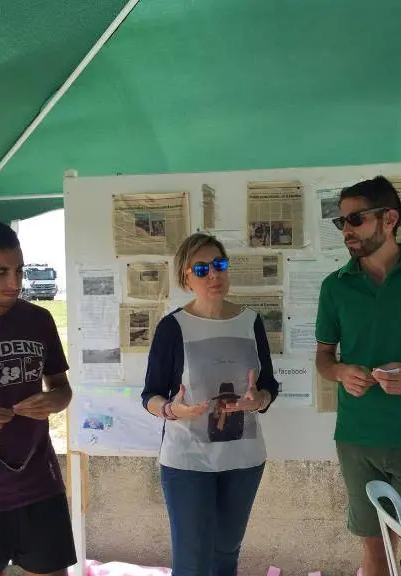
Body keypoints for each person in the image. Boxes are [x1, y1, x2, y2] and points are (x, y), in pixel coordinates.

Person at [314, 176, 401, 576]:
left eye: (355, 219)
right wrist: (341, 372)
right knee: (376, 553)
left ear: (389, 218)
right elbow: (324, 357)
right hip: (357, 439)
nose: (346, 231)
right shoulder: (334, 287)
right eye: (341, 222)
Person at [141, 232, 279, 576]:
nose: (213, 275)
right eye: (201, 269)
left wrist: (257, 401)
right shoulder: (173, 327)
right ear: (186, 277)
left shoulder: (251, 321)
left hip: (244, 460)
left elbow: (268, 386)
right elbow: (151, 395)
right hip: (188, 460)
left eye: (219, 265)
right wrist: (174, 410)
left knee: (225, 557)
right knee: (192, 563)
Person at [0, 220, 76, 576]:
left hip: (38, 483)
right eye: (1, 272)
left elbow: (61, 387)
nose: (14, 283)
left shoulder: (39, 319)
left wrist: (55, 401)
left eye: (19, 270)